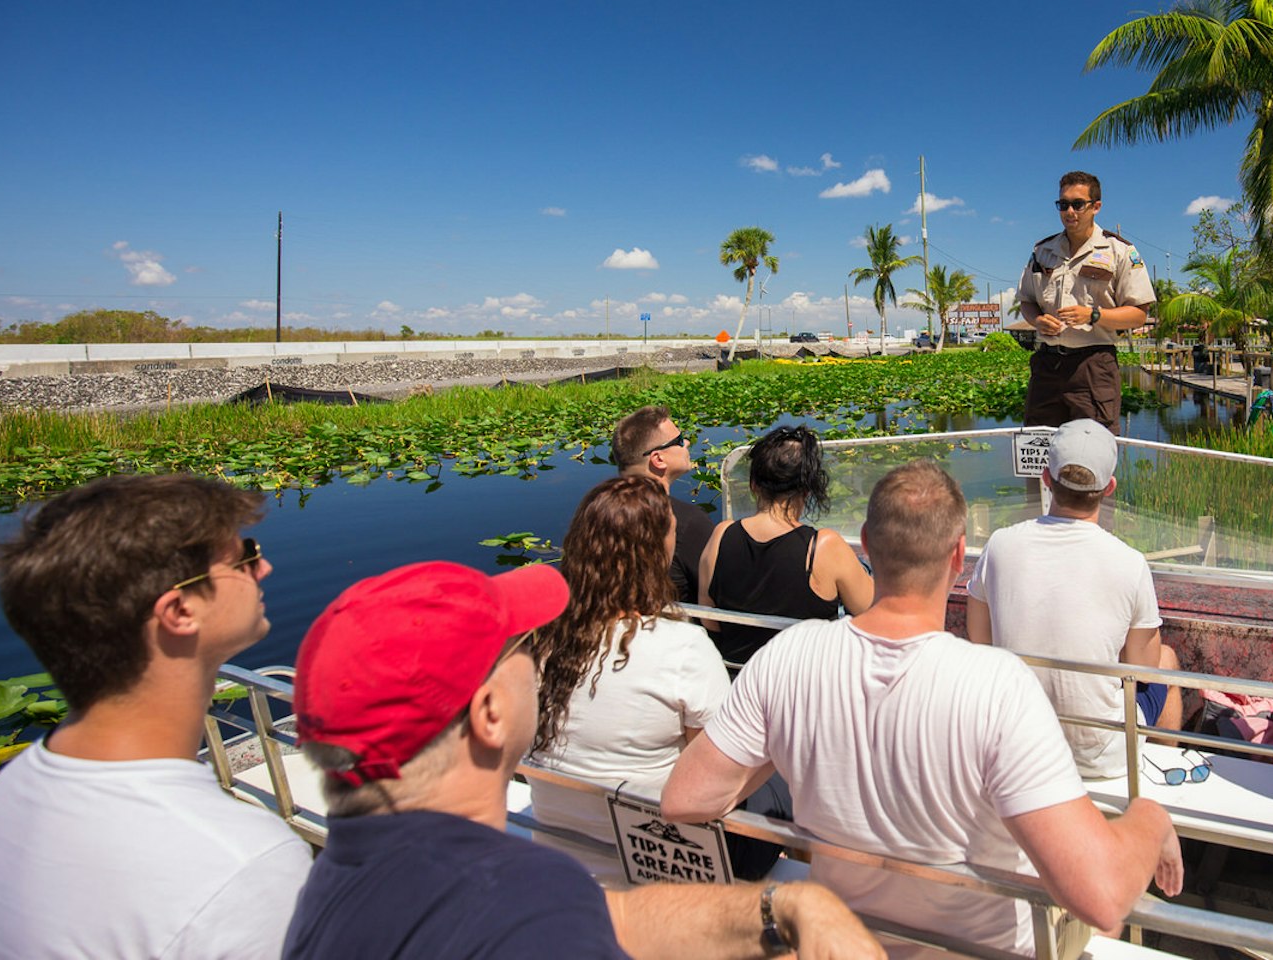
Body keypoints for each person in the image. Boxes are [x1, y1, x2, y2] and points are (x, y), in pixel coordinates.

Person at [663, 460, 1183, 957]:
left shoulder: (790, 656)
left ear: (866, 544)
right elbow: (1102, 899)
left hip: (846, 941)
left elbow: (685, 800)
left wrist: (797, 747)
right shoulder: (999, 688)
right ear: (959, 556)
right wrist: (1151, 818)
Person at [282, 559, 882, 960]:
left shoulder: (343, 877)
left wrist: (785, 905)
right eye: (524, 644)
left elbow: (615, 918)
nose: (543, 650)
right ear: (489, 713)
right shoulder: (516, 907)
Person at [0, 475, 310, 960]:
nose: (264, 568)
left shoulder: (12, 790)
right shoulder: (243, 863)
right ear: (178, 611)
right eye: (245, 557)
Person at [966, 419, 1183, 779]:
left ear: (1047, 479)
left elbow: (979, 639)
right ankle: (1160, 778)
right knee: (1168, 659)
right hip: (1099, 758)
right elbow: (1142, 667)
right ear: (1109, 487)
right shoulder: (1130, 563)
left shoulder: (1000, 545)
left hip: (1017, 750)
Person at [524, 476, 732, 850]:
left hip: (553, 847)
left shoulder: (539, 638)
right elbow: (713, 780)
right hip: (654, 860)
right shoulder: (684, 647)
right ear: (655, 552)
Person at [699, 424, 873, 667]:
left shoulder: (721, 534)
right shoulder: (824, 547)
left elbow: (711, 621)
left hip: (741, 674)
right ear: (807, 489)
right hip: (806, 683)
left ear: (754, 485)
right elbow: (871, 614)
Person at [1016, 170, 1155, 433]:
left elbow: (1139, 314)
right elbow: (1027, 300)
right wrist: (1037, 321)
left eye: (1078, 204)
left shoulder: (1120, 251)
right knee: (1037, 449)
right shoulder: (1042, 251)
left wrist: (1093, 315)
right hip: (1047, 364)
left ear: (1096, 207)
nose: (1070, 211)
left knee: (1092, 455)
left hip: (1094, 366)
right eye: (1063, 204)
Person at [613, 404, 714, 602]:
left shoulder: (596, 511)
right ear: (658, 459)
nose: (685, 443)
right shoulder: (687, 521)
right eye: (677, 440)